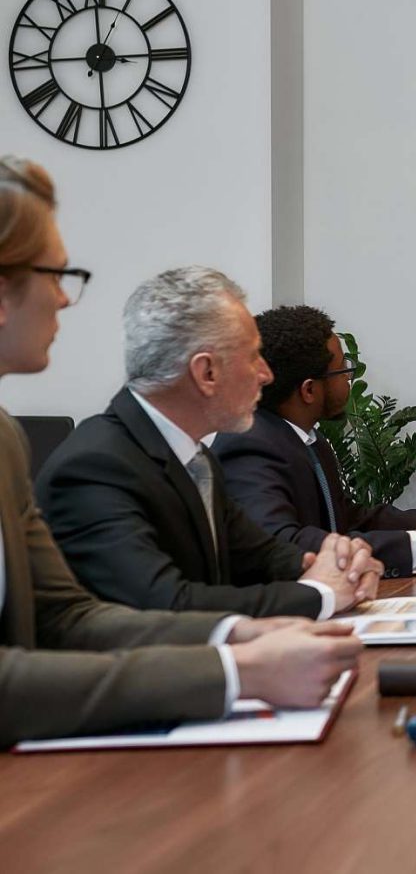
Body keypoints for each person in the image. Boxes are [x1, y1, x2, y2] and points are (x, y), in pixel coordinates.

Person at [0, 156, 359, 743]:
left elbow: (64, 618)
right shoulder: (95, 462)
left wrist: (241, 637)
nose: (66, 300)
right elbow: (150, 604)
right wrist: (235, 668)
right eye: (55, 274)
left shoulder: (7, 440)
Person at [37, 267, 383, 619]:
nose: (265, 374)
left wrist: (340, 564)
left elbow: (261, 555)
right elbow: (167, 603)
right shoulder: (96, 467)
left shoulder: (194, 457)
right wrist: (320, 594)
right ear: (207, 373)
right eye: (252, 356)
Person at [212, 305, 416, 577]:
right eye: (343, 371)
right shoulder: (249, 445)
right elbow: (283, 544)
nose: (349, 381)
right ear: (309, 390)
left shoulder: (307, 440)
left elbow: (351, 518)